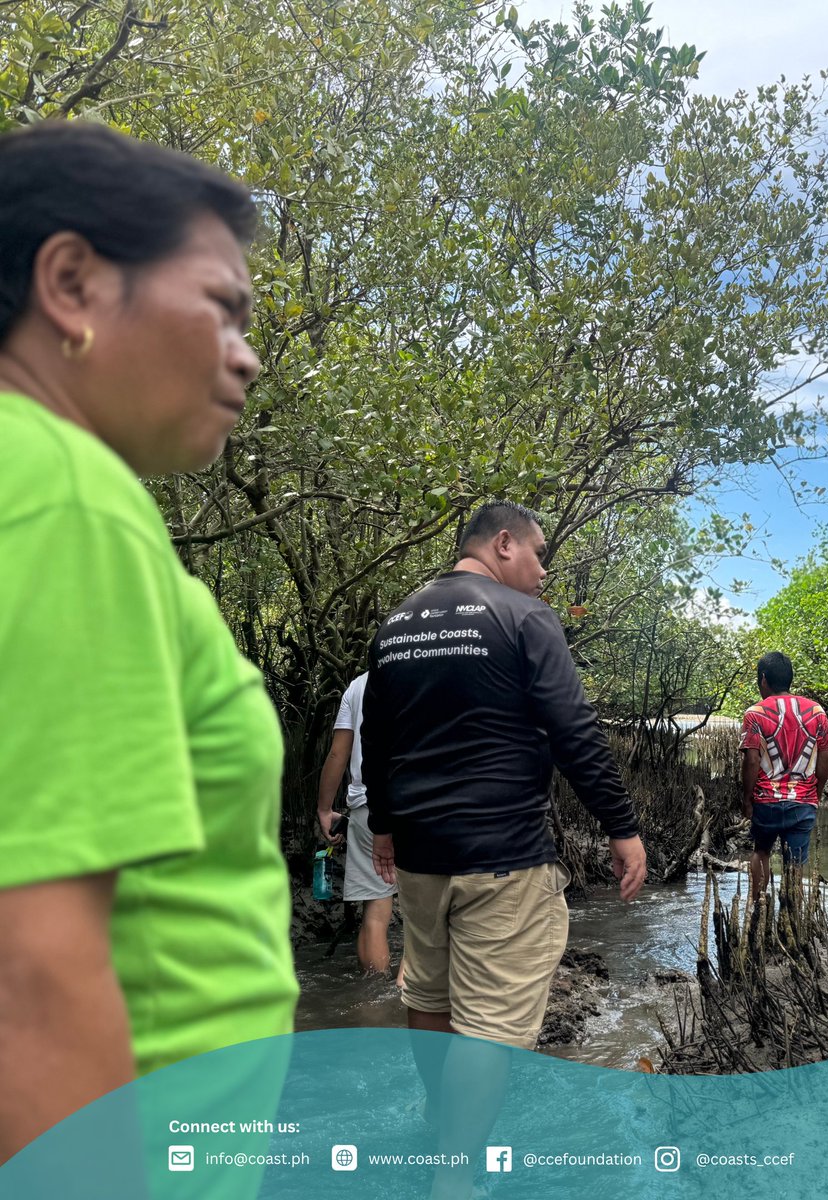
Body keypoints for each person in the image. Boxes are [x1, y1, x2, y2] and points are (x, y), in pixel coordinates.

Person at [0, 121, 297, 1163]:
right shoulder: (65, 493)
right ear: (71, 283)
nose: (247, 356)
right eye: (223, 307)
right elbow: (31, 971)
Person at [360, 500, 646, 1195]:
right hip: (505, 854)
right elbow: (573, 729)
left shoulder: (397, 623)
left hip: (421, 855)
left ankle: (438, 1122)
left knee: (429, 994)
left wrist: (386, 826)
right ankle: (454, 1177)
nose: (544, 572)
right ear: (505, 543)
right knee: (488, 1023)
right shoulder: (523, 617)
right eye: (540, 554)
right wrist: (621, 825)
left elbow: (379, 735)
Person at [316, 671, 400, 975]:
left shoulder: (357, 686)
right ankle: (407, 990)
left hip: (369, 807)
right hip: (423, 804)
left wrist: (324, 808)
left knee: (375, 914)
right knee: (427, 913)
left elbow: (338, 752)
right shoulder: (432, 667)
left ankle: (373, 996)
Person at [740, 651, 828, 903]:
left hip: (766, 802)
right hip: (803, 802)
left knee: (761, 852)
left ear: (763, 679)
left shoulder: (755, 713)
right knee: (795, 863)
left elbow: (751, 760)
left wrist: (747, 799)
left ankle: (758, 904)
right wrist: (816, 792)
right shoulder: (816, 711)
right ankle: (792, 911)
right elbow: (826, 756)